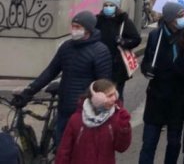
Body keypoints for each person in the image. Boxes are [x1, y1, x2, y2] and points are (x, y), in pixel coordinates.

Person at [14, 11, 112, 146]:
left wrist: (96, 105)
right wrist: (30, 90)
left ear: (88, 29)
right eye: (73, 26)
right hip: (64, 108)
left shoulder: (100, 51)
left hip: (84, 112)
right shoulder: (66, 47)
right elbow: (50, 71)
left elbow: (104, 85)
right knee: (61, 147)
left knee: (79, 151)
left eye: (78, 27)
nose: (74, 30)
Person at [139, 2, 184, 164]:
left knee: (174, 143)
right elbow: (146, 61)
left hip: (178, 99)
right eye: (179, 16)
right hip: (156, 98)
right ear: (169, 19)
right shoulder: (156, 37)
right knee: (149, 143)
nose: (183, 19)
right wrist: (147, 69)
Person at [55, 79, 131, 164]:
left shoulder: (115, 119)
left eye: (115, 94)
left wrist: (124, 127)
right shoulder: (76, 120)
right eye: (110, 96)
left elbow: (121, 148)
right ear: (97, 99)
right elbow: (64, 150)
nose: (114, 99)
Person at [94, 0, 141, 99]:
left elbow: (136, 39)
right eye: (106, 5)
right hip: (100, 62)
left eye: (111, 5)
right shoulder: (98, 20)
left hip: (117, 65)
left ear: (117, 7)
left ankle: (117, 114)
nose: (108, 7)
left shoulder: (124, 21)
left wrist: (124, 42)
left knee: (116, 95)